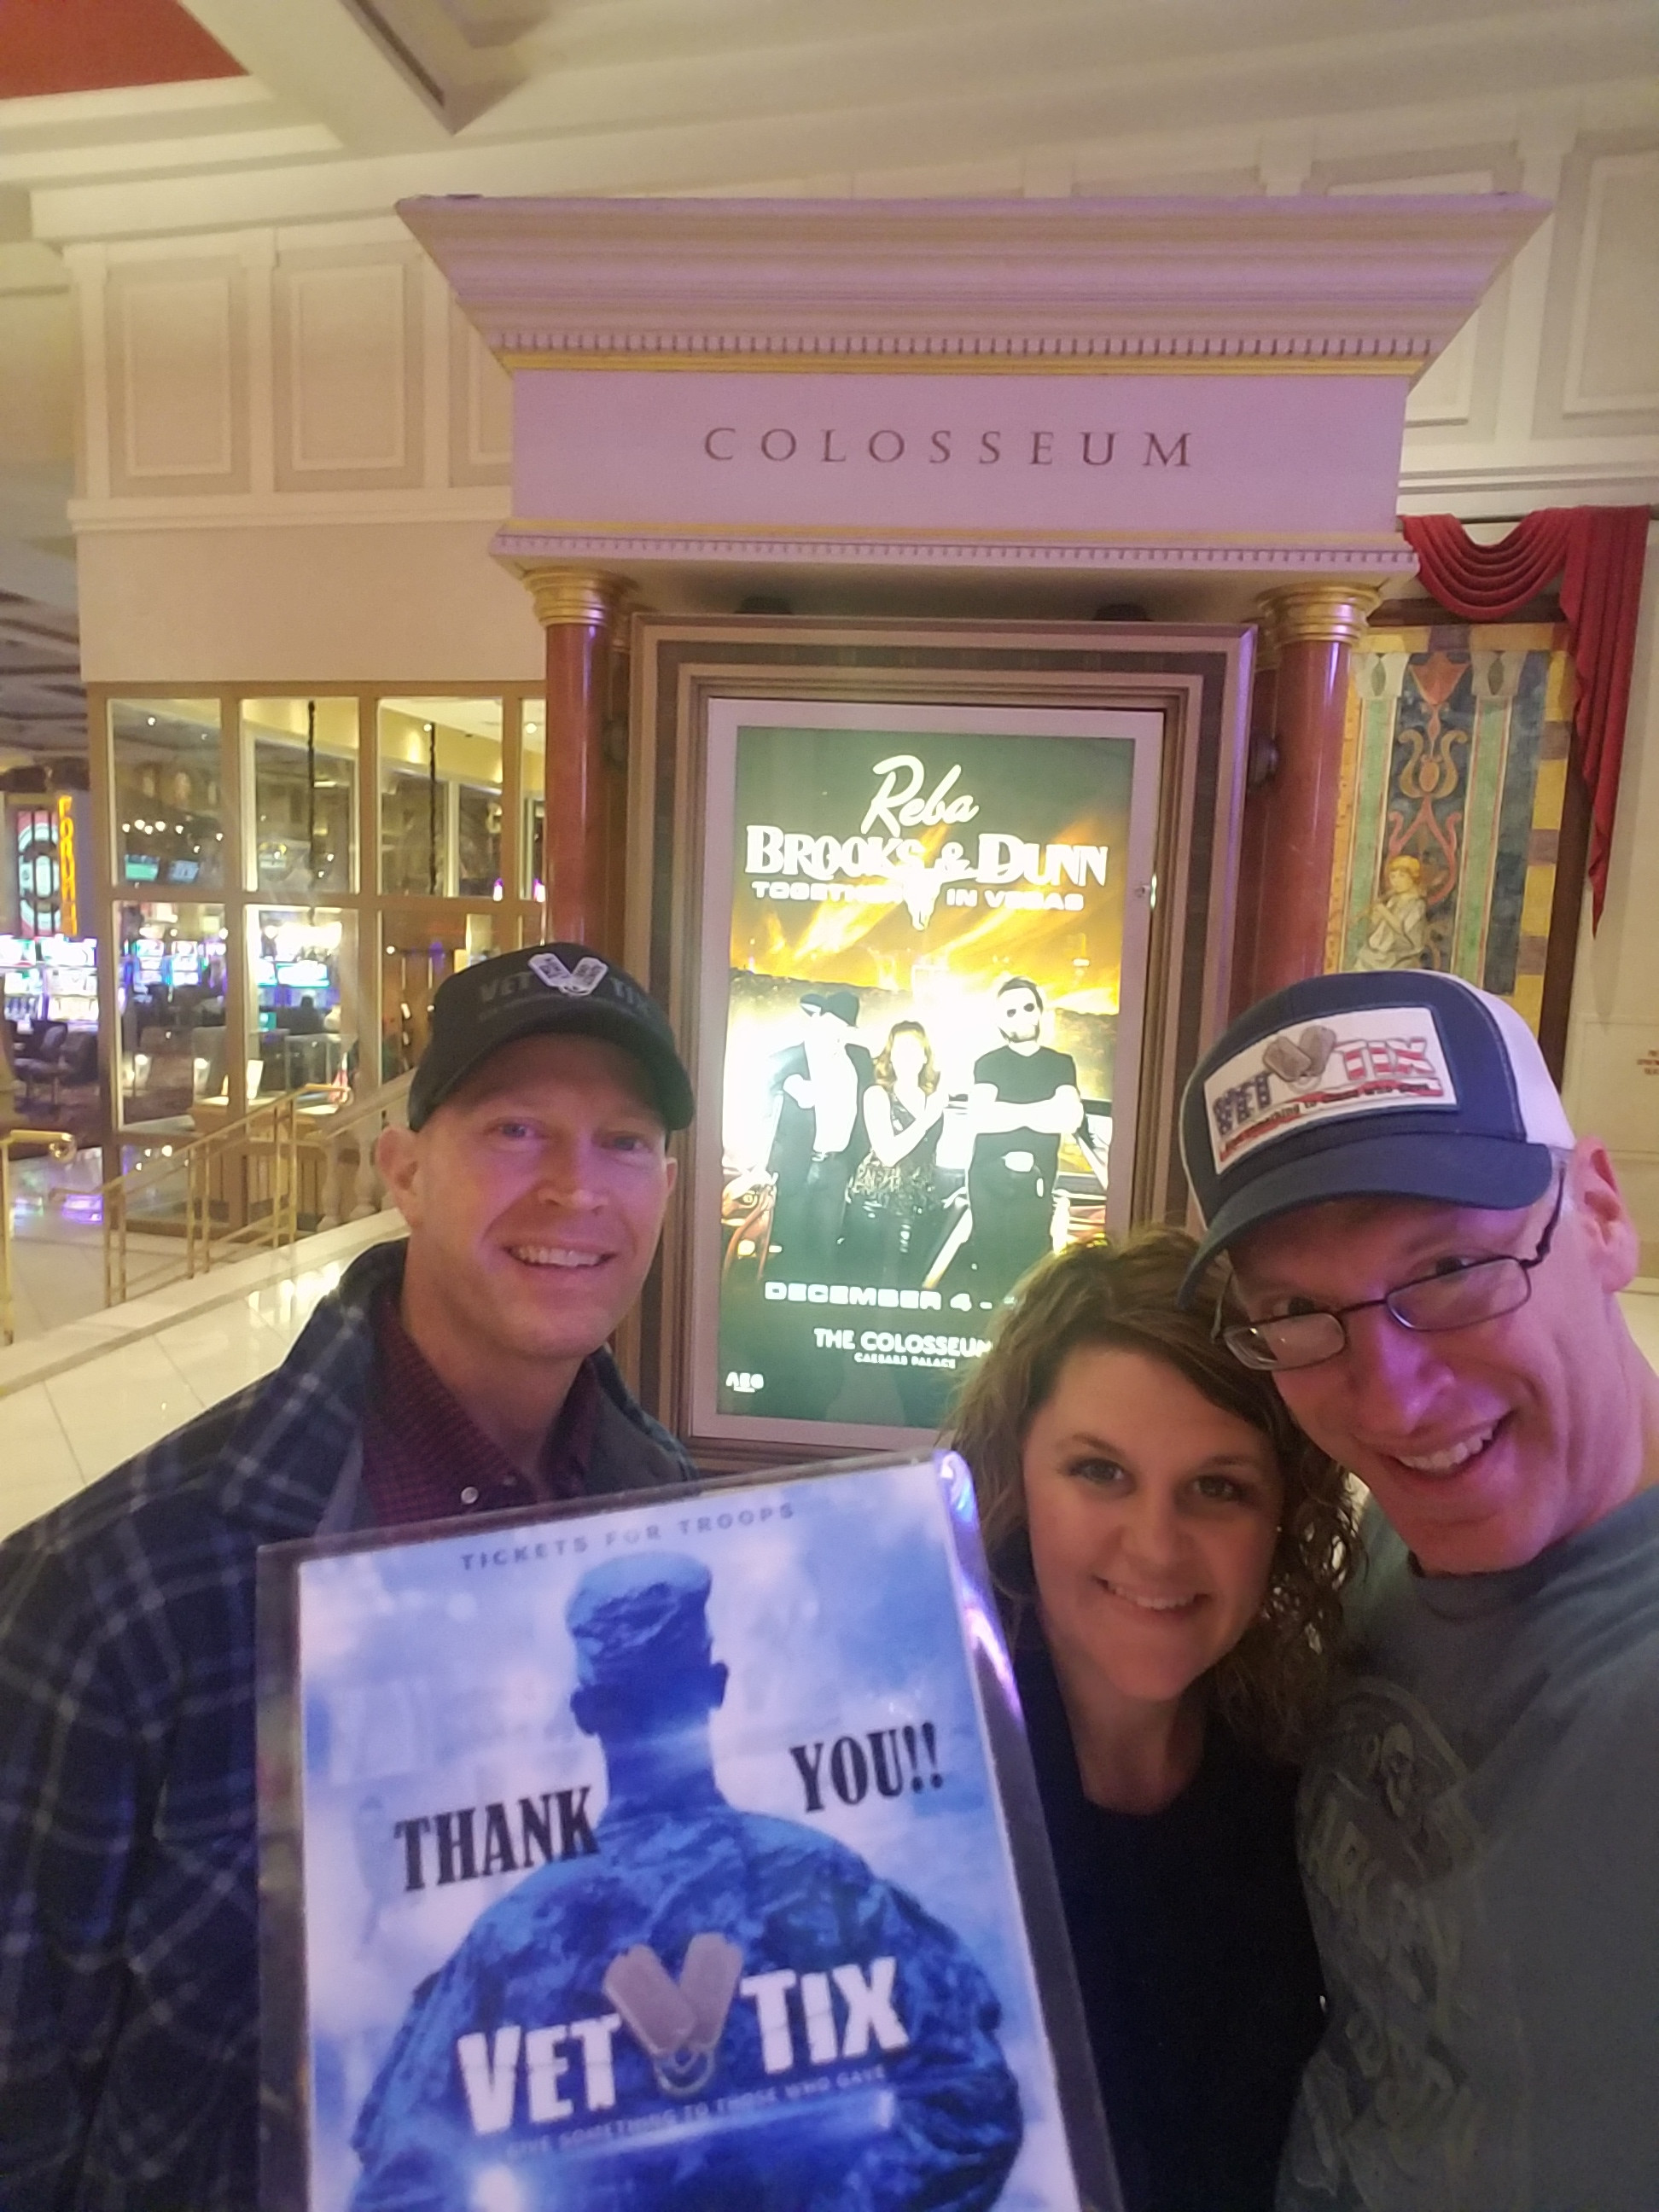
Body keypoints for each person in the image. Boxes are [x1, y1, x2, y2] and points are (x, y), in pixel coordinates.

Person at [0, 942, 699, 2212]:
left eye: (625, 1142)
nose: (574, 1187)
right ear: (405, 1172)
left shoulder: (686, 1548)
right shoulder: (119, 1593)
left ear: (667, 1188)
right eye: (516, 1130)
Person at [1176, 969, 1659, 2211]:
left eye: (1448, 1266)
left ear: (1602, 1216)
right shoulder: (1387, 1545)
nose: (1390, 1401)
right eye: (1296, 1310)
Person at [351, 1552, 1023, 2212]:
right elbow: (969, 2108)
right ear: (715, 1685)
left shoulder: (513, 1938)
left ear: (585, 1710)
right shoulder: (822, 1882)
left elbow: (403, 2188)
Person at [947, 1229, 1356, 2212]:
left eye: (1218, 1487)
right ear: (1012, 1479)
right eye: (1100, 1472)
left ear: (1282, 1519)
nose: (1157, 1547)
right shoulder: (921, 1786)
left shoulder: (1309, 1785)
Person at [965, 975, 1083, 1307]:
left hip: (1037, 1185)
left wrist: (1006, 1112)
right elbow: (980, 1118)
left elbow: (1069, 1119)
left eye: (1028, 1007)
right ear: (1000, 1020)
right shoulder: (988, 1062)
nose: (1021, 1016)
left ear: (1040, 1011)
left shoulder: (1060, 1063)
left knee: (1032, 1274)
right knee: (990, 1272)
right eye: (1011, 1011)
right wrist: (1042, 1111)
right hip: (987, 1181)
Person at [763, 985, 873, 1280]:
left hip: (837, 1167)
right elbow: (758, 1102)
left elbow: (869, 1105)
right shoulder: (785, 1060)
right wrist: (784, 1086)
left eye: (845, 1029)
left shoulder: (860, 1060)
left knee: (826, 1251)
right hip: (795, 1168)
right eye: (833, 1024)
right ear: (817, 1018)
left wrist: (854, 1163)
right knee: (790, 1250)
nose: (838, 1034)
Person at [839, 1018, 948, 1289]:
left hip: (919, 1209)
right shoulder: (877, 1095)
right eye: (899, 1049)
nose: (906, 1056)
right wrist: (927, 1118)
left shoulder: (933, 1099)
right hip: (876, 1208)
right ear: (891, 1056)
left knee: (907, 1288)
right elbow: (888, 1154)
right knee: (868, 1286)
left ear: (925, 1056)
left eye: (914, 1049)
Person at [1352, 853, 1429, 971]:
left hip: (1402, 954)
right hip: (1385, 950)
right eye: (1393, 877)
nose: (1396, 881)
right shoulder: (1394, 899)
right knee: (1363, 958)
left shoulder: (1418, 905)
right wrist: (1375, 920)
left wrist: (1384, 911)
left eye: (1402, 876)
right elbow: (1382, 929)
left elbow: (1401, 930)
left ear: (1413, 878)